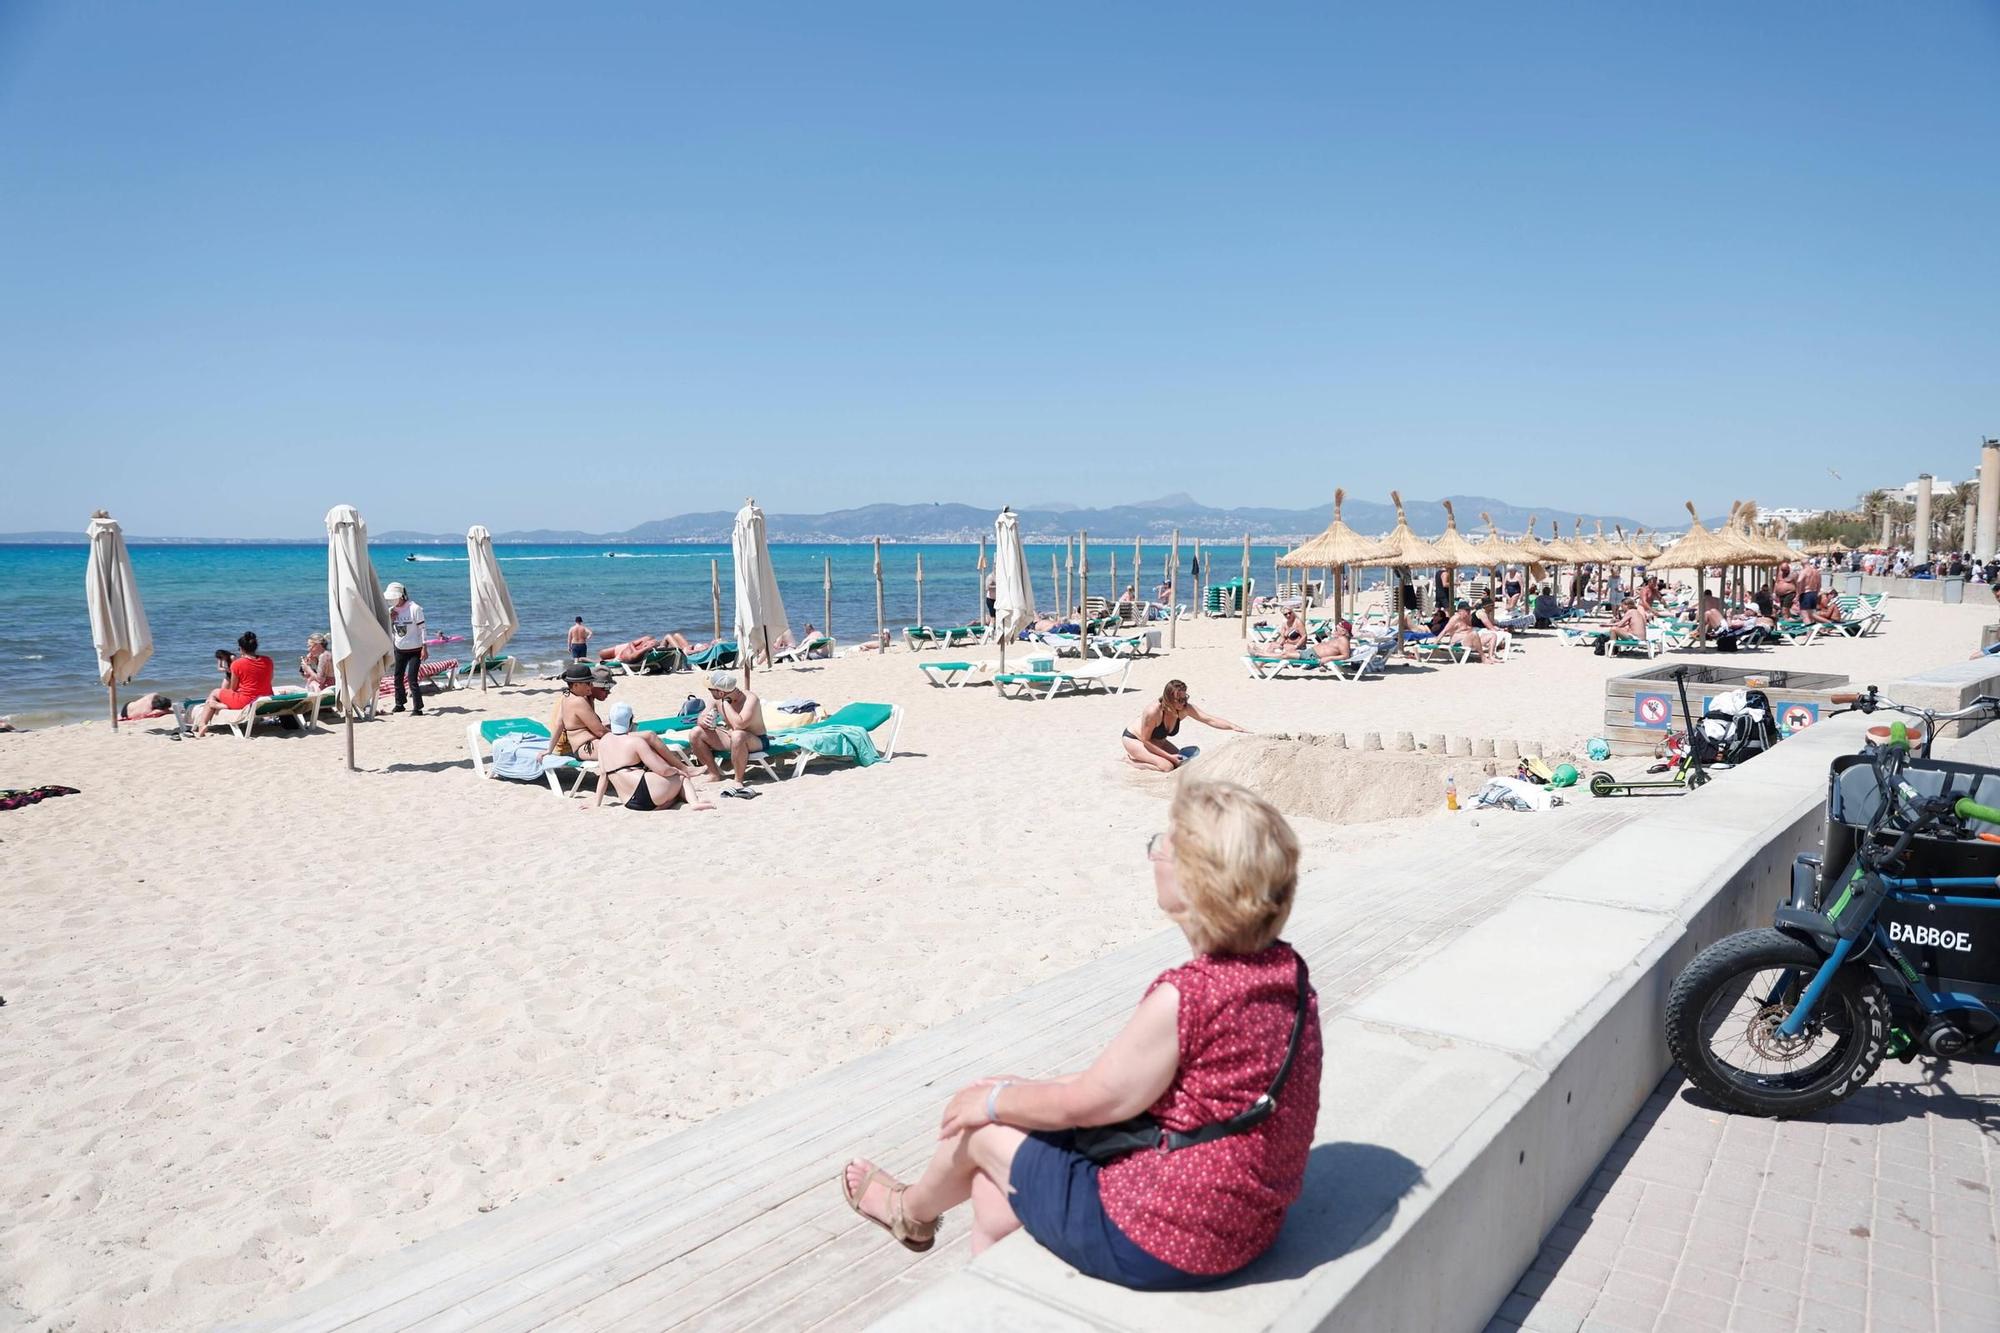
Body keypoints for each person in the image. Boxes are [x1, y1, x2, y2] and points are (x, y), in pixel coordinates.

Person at [839, 781, 1322, 1289]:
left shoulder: (1187, 996)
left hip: (1168, 1239)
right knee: (993, 1174)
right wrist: (1016, 1093)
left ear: (1195, 884)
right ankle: (994, 1279)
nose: (1155, 849)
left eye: (1166, 843)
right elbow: (1143, 1086)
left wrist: (996, 1102)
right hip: (1248, 1223)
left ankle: (907, 1211)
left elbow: (1090, 1104)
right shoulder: (1284, 973)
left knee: (981, 1129)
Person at [589, 702, 714, 812]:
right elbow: (662, 770)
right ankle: (695, 803)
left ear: (610, 720)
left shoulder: (603, 742)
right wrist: (677, 770)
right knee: (681, 778)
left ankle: (672, 800)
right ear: (631, 720)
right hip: (647, 790)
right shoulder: (635, 742)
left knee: (671, 792)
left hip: (630, 803)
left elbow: (603, 776)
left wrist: (596, 803)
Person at [1121, 680, 1249, 773]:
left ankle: (1149, 757)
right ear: (1168, 699)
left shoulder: (1184, 709)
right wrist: (1169, 757)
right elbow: (1146, 740)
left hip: (1157, 741)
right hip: (1135, 740)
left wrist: (1233, 726)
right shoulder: (1153, 711)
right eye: (1180, 700)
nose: (1184, 703)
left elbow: (1209, 719)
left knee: (1182, 762)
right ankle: (1132, 761)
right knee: (1167, 767)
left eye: (1185, 698)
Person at [689, 670, 767, 797]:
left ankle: (738, 780)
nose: (709, 692)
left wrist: (725, 702)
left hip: (756, 740)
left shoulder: (750, 698)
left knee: (738, 735)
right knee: (695, 732)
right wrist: (703, 720)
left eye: (711, 689)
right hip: (732, 736)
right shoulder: (716, 699)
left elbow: (739, 725)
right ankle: (713, 773)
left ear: (720, 692)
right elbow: (701, 717)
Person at [191, 631, 274, 736]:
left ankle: (203, 724)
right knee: (217, 697)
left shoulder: (237, 664)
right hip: (266, 699)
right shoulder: (268, 660)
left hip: (246, 701)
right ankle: (217, 705)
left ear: (242, 649)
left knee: (215, 692)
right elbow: (270, 679)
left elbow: (234, 688)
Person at [384, 582, 427, 715]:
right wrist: (390, 619)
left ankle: (418, 707)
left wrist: (425, 647)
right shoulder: (391, 611)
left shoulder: (415, 608)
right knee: (397, 677)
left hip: (415, 649)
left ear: (402, 596)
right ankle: (400, 703)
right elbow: (390, 629)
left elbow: (422, 629)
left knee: (412, 679)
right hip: (399, 649)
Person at [550, 661, 607, 760]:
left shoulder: (566, 696)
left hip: (573, 746)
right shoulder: (579, 701)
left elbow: (559, 724)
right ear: (575, 685)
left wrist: (549, 750)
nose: (591, 686)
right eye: (588, 683)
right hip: (578, 748)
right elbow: (600, 732)